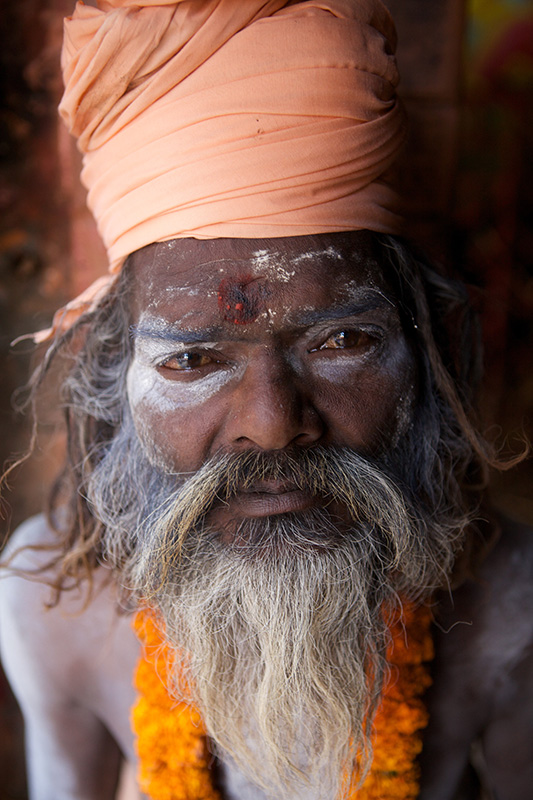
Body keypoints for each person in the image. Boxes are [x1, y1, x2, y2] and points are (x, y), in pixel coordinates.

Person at [0, 2, 532, 799]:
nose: (274, 425)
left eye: (341, 341)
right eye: (191, 359)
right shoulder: (51, 603)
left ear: (426, 358)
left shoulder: (510, 604)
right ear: (113, 380)